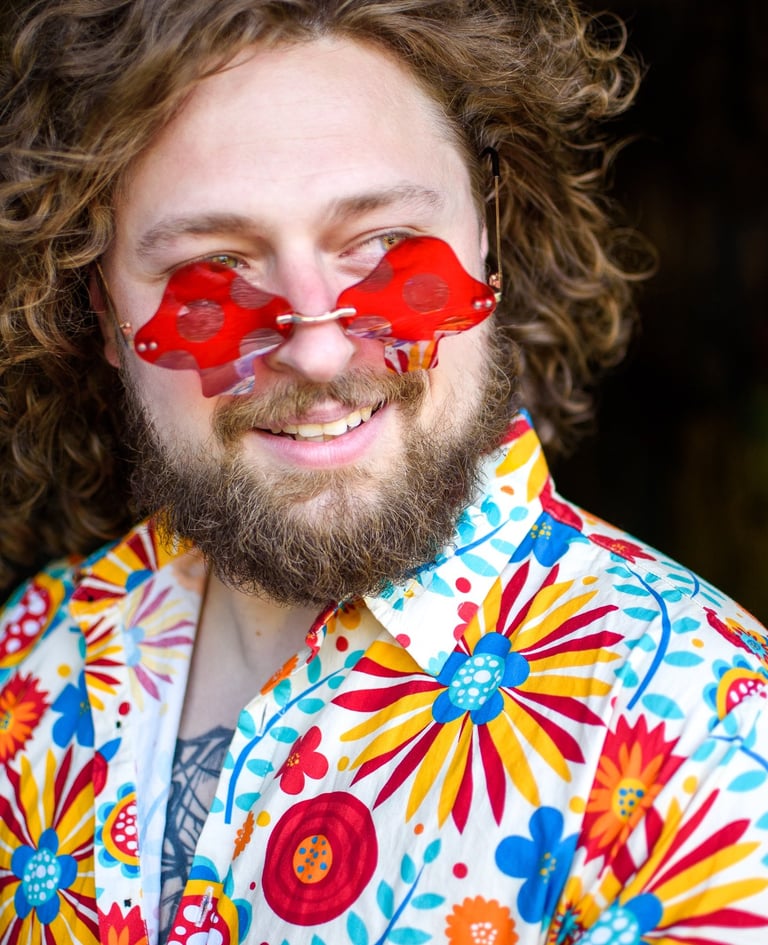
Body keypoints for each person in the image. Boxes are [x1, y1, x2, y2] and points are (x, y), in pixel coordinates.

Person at [0, 0, 766, 943]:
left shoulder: (704, 742)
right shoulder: (28, 658)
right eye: (215, 269)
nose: (319, 354)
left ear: (490, 232)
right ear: (103, 309)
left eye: (382, 247)